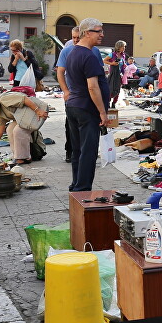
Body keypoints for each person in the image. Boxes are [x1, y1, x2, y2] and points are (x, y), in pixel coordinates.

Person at [63, 18, 110, 192]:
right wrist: (102, 113)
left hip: (74, 106)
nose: (102, 35)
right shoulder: (88, 56)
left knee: (77, 150)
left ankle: (76, 183)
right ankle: (82, 189)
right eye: (99, 31)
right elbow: (92, 86)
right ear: (87, 32)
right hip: (86, 108)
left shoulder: (72, 52)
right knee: (88, 152)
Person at [0, 87, 48, 165]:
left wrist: (38, 111)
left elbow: (25, 99)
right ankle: (17, 155)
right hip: (26, 117)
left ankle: (24, 157)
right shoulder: (1, 111)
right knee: (10, 128)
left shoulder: (4, 99)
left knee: (19, 130)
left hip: (35, 113)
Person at [55, 26, 81, 163]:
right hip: (71, 94)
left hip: (85, 95)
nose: (76, 40)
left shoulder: (91, 49)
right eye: (74, 37)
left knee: (84, 125)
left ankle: (82, 151)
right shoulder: (67, 48)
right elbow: (60, 72)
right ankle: (69, 151)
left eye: (78, 37)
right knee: (70, 124)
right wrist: (65, 91)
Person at [104, 40, 126, 109]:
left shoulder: (123, 55)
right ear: (119, 47)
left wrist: (124, 65)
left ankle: (114, 103)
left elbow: (122, 64)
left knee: (117, 90)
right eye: (123, 47)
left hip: (120, 75)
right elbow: (104, 60)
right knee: (111, 89)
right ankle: (108, 102)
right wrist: (112, 63)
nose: (124, 48)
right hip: (113, 75)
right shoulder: (112, 54)